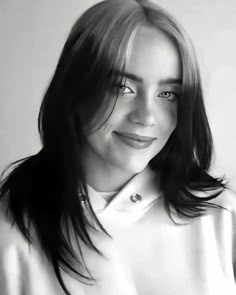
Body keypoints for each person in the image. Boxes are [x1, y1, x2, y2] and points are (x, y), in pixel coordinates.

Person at [0, 0, 235, 294]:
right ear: (76, 89)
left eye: (167, 93)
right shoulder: (9, 234)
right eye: (122, 88)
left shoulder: (223, 218)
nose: (146, 116)